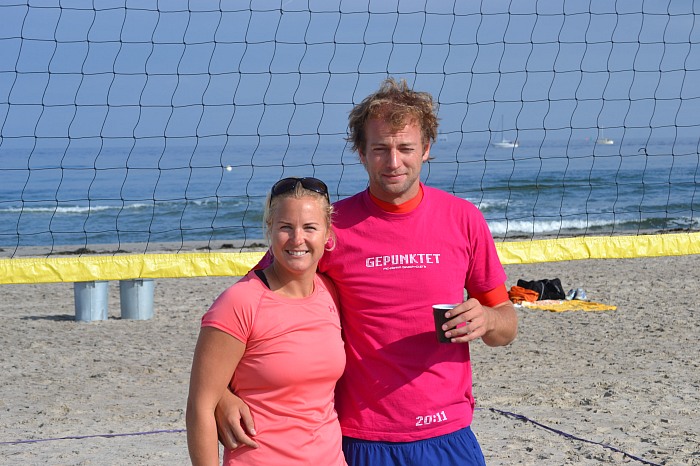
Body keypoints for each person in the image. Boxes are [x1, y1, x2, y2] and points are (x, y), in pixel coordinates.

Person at [215, 78, 518, 465]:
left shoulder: (464, 219)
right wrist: (221, 393)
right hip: (362, 437)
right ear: (361, 152)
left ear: (426, 149)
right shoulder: (332, 228)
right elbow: (245, 306)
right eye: (380, 149)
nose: (393, 162)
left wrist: (488, 319)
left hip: (447, 432)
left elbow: (506, 327)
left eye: (405, 148)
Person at [186, 177, 347, 465]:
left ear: (327, 234)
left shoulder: (330, 292)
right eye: (285, 227)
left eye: (310, 227)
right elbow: (200, 407)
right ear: (269, 230)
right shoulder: (239, 302)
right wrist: (223, 396)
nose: (297, 239)